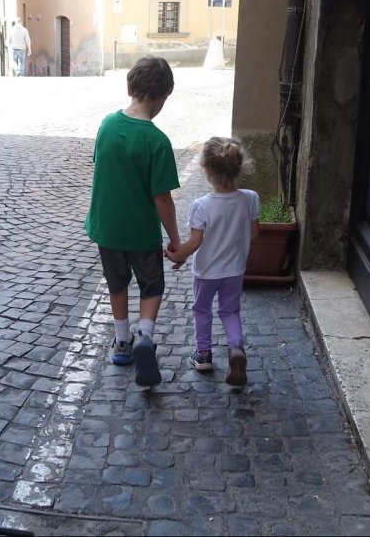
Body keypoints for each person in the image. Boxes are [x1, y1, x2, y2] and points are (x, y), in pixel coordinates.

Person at [85, 56, 181, 387]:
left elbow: (101, 167)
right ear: (165, 94)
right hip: (142, 234)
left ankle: (122, 341)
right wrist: (176, 240)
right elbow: (162, 199)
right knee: (152, 286)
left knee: (117, 284)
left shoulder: (107, 125)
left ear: (131, 87)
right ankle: (145, 335)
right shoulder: (157, 141)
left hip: (108, 230)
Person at [165, 137, 260, 386]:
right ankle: (236, 348)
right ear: (238, 168)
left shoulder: (201, 206)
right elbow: (254, 233)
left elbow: (195, 242)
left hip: (206, 271)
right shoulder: (250, 198)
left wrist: (178, 255)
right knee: (230, 310)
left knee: (202, 310)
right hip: (235, 269)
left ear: (206, 170)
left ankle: (204, 354)